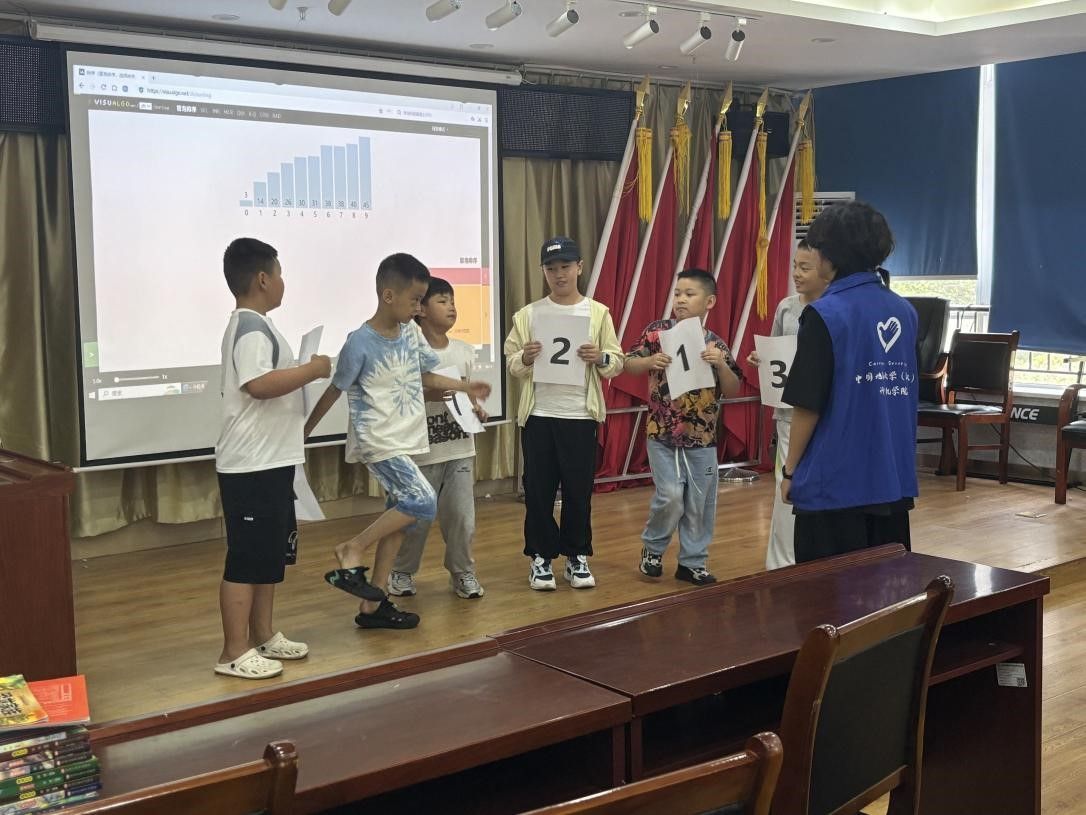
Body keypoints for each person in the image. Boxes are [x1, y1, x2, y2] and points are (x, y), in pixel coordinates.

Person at [304, 253, 491, 628]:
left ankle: (374, 605)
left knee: (400, 520)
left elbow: (428, 376)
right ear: (388, 296)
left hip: (407, 439)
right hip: (377, 441)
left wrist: (464, 387)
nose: (419, 308)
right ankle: (353, 547)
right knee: (423, 502)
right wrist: (302, 433)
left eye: (422, 300)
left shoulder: (410, 333)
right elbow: (334, 390)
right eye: (415, 300)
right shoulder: (359, 343)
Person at [214, 237, 331, 680]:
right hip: (251, 464)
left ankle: (262, 635)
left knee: (268, 554)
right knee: (246, 558)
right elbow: (259, 384)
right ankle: (232, 652)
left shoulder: (260, 325)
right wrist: (313, 369)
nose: (283, 282)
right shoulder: (250, 327)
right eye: (279, 274)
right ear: (263, 279)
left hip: (272, 459)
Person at [779, 202, 919, 561]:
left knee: (825, 592)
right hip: (892, 480)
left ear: (830, 255)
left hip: (834, 485)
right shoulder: (904, 311)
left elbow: (808, 403)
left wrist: (790, 470)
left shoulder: (825, 313)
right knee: (887, 587)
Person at [504, 236, 624, 591]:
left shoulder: (598, 313)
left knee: (578, 491)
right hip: (539, 415)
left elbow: (616, 362)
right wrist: (525, 357)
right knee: (538, 491)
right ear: (543, 271)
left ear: (579, 267)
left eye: (566, 267)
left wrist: (600, 357)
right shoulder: (528, 315)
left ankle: (576, 555)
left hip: (580, 416)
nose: (559, 274)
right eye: (551, 268)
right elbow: (512, 363)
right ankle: (540, 557)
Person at [624, 269, 742, 585]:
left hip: (702, 438)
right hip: (661, 434)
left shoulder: (715, 344)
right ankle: (653, 547)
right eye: (677, 293)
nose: (680, 300)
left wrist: (720, 364)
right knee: (671, 495)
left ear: (709, 302)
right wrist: (649, 362)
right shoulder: (656, 333)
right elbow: (627, 363)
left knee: (700, 502)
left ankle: (692, 562)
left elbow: (733, 388)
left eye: (689, 294)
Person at [387, 277, 488, 601]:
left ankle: (463, 572)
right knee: (415, 520)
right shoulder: (409, 350)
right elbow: (402, 395)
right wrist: (437, 393)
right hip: (421, 452)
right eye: (442, 301)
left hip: (459, 449)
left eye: (453, 301)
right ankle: (401, 571)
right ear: (421, 310)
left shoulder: (463, 350)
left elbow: (468, 396)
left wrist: (477, 410)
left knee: (461, 518)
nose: (451, 307)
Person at [746, 241, 830, 569]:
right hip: (787, 413)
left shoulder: (835, 310)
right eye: (794, 265)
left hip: (825, 416)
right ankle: (781, 563)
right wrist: (763, 358)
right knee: (786, 487)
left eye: (805, 268)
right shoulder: (786, 307)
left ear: (827, 271)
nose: (796, 273)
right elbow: (777, 352)